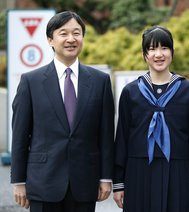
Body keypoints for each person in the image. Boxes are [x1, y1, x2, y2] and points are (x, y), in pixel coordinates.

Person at [11, 11, 114, 212]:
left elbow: (106, 134)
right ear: (50, 39)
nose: (71, 39)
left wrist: (105, 177)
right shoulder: (31, 82)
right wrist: (18, 181)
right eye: (63, 33)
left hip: (85, 181)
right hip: (43, 181)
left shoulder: (100, 82)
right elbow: (20, 135)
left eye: (77, 33)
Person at [112, 25, 189, 212]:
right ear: (144, 54)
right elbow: (122, 138)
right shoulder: (130, 92)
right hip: (138, 172)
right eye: (152, 48)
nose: (159, 54)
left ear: (172, 52)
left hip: (177, 171)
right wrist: (119, 182)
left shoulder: (188, 91)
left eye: (164, 48)